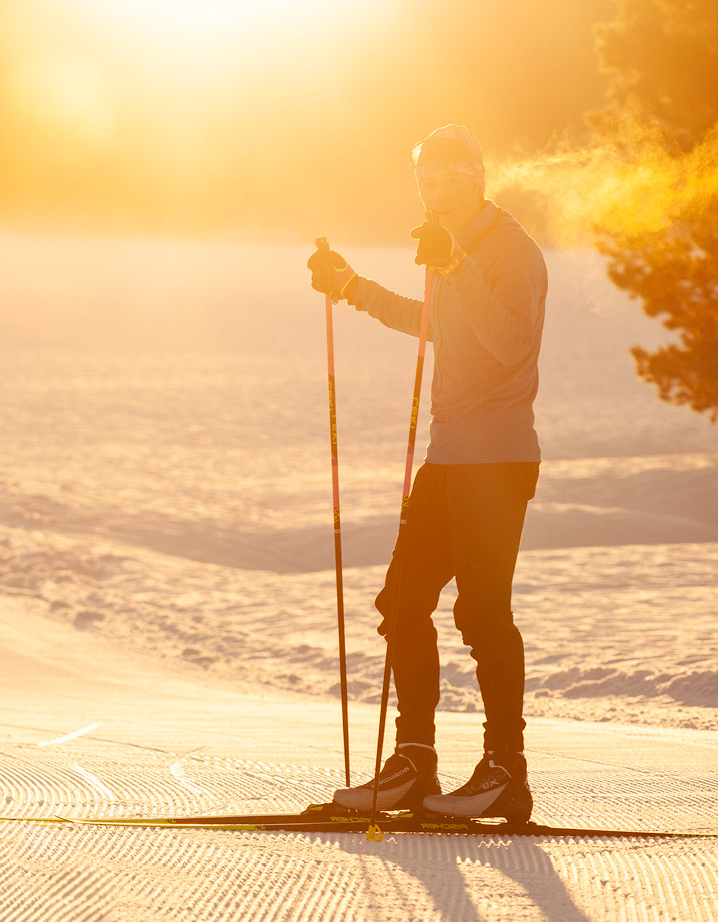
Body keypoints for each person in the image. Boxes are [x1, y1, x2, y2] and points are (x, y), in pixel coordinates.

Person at [307, 124, 547, 822]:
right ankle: (415, 762)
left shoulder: (511, 252)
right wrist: (352, 287)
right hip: (449, 459)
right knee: (401, 605)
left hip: (497, 461)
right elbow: (439, 324)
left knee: (481, 613)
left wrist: (454, 269)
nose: (434, 192)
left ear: (475, 180)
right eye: (425, 180)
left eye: (447, 178)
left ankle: (506, 769)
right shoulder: (457, 248)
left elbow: (506, 343)